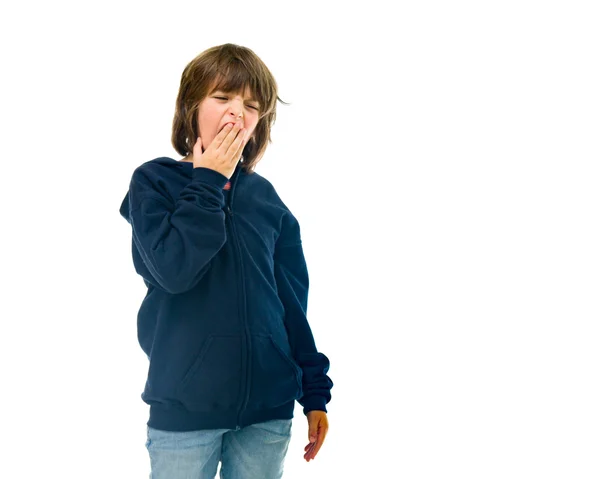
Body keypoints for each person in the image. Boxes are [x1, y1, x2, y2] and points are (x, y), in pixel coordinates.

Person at [118, 43, 333, 478]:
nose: (237, 113)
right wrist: (208, 181)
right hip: (184, 413)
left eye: (251, 106)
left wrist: (313, 393)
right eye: (222, 98)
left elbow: (292, 303)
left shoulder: (267, 199)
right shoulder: (153, 182)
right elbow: (173, 272)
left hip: (266, 415)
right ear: (191, 107)